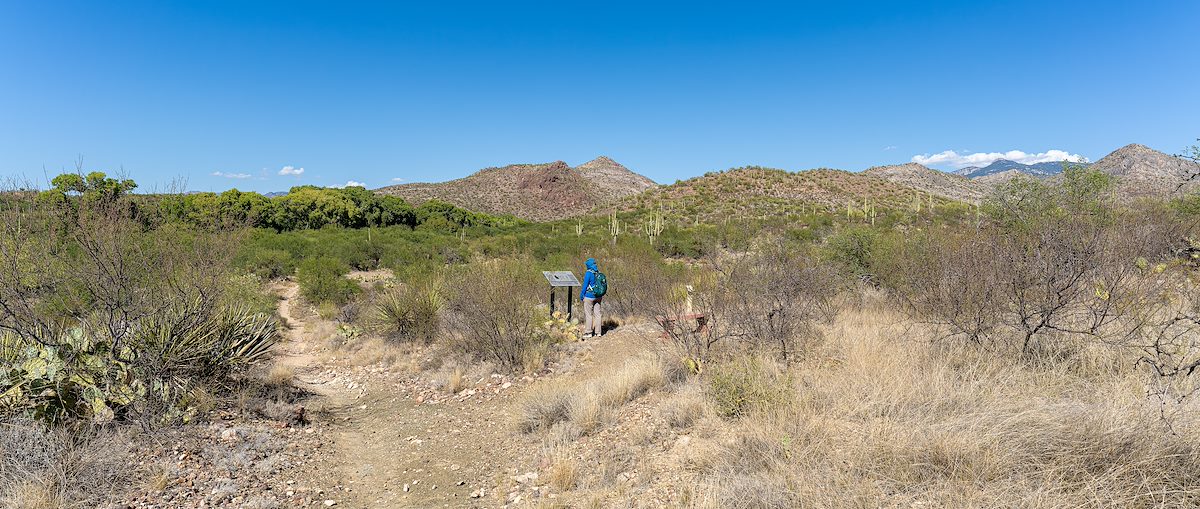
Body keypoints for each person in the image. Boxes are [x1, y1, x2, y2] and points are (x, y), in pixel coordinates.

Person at [580, 257, 603, 338]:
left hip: (589, 296)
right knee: (598, 314)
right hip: (598, 296)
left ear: (588, 265)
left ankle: (588, 332)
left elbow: (585, 285)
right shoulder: (598, 272)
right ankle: (598, 332)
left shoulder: (588, 273)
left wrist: (582, 295)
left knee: (589, 314)